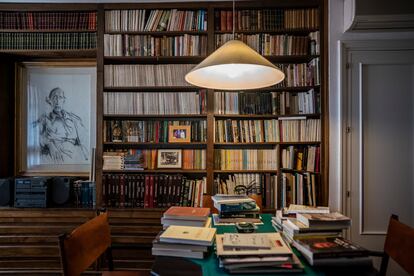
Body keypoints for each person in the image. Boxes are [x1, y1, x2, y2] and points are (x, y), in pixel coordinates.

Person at [33, 87, 89, 163]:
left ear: (64, 100)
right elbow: (33, 136)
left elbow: (84, 139)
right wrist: (49, 144)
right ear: (49, 101)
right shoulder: (45, 119)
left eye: (60, 98)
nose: (57, 101)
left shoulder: (73, 119)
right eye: (54, 98)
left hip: (74, 156)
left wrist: (86, 159)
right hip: (54, 157)